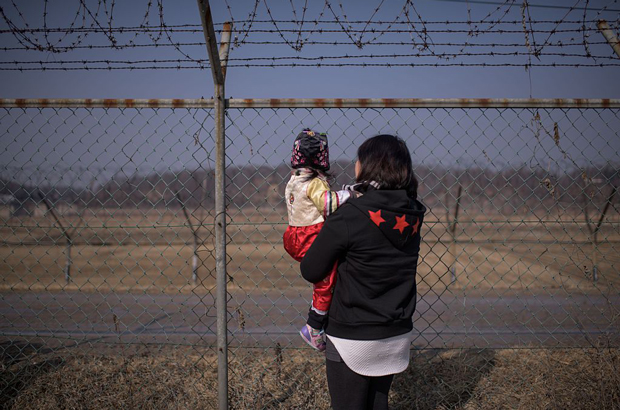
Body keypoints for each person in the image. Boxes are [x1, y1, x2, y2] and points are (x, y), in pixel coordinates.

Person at [300, 134, 425, 410]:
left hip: (352, 337)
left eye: (359, 158)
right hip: (396, 333)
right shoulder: (413, 213)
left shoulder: (351, 214)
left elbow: (311, 269)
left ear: (369, 165)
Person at [283, 128, 354, 351]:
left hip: (294, 234)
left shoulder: (293, 180)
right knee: (325, 281)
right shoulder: (313, 183)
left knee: (324, 274)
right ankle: (313, 327)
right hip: (310, 235)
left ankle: (320, 319)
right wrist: (351, 194)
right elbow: (328, 205)